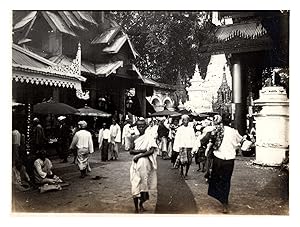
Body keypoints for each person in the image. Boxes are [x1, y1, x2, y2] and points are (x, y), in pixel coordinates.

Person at [207, 114, 245, 214]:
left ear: (221, 121)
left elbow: (210, 141)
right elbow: (240, 142)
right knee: (226, 180)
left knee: (216, 179)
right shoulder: (234, 132)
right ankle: (225, 202)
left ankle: (221, 197)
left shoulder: (217, 130)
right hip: (229, 159)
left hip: (218, 158)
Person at [129, 118, 158, 213]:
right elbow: (131, 151)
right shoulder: (135, 137)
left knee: (143, 184)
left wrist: (140, 155)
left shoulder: (149, 137)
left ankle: (141, 204)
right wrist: (142, 150)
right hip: (135, 163)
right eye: (139, 126)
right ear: (136, 127)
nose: (141, 128)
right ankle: (136, 208)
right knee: (135, 184)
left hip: (145, 163)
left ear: (146, 126)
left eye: (142, 126)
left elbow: (151, 150)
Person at [173, 115, 197, 179]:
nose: (185, 121)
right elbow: (177, 138)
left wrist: (194, 147)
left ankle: (186, 173)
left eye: (187, 120)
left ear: (188, 121)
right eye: (184, 120)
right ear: (182, 121)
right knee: (182, 161)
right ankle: (181, 171)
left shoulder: (191, 129)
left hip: (189, 146)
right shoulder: (180, 129)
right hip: (182, 146)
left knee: (189, 161)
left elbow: (193, 138)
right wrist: (176, 147)